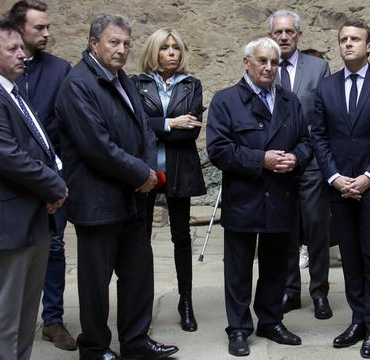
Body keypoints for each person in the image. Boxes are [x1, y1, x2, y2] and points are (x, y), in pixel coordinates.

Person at [55, 14, 178, 360]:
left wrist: (150, 170)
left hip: (133, 200)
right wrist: (142, 174)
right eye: (114, 42)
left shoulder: (122, 79)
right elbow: (97, 146)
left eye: (126, 43)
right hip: (98, 200)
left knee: (138, 274)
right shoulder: (77, 84)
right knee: (96, 282)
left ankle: (135, 342)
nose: (122, 49)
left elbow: (144, 130)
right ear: (94, 43)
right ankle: (94, 348)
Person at [0, 19, 68, 359]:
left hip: (33, 217)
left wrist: (50, 187)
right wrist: (55, 185)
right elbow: (9, 158)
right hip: (7, 224)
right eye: (13, 49)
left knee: (25, 315)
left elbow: (37, 146)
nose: (23, 54)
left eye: (22, 47)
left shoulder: (12, 90)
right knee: (5, 316)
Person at [206, 37, 312, 357]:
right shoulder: (226, 101)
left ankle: (270, 320)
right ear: (247, 63)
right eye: (262, 61)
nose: (268, 68)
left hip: (281, 195)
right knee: (238, 268)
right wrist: (260, 159)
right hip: (245, 197)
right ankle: (238, 328)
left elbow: (306, 141)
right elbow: (218, 150)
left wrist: (296, 158)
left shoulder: (290, 101)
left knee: (276, 265)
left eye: (274, 63)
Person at [311, 19, 370, 358]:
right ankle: (358, 319)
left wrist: (368, 177)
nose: (348, 44)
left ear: (369, 46)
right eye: (343, 39)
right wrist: (335, 177)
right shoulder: (326, 87)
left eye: (355, 39)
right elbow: (319, 136)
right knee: (350, 256)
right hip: (340, 187)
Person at [133, 27, 206, 333]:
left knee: (182, 238)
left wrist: (160, 127)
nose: (172, 53)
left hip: (179, 168)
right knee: (141, 237)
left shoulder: (191, 85)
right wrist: (170, 122)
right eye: (165, 48)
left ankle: (185, 302)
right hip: (145, 170)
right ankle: (140, 302)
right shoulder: (136, 84)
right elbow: (135, 126)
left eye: (176, 47)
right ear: (154, 52)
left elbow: (192, 131)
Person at [267, 9, 333, 320]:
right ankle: (290, 290)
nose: (283, 37)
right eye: (278, 32)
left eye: (289, 32)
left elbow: (325, 114)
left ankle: (320, 291)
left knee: (317, 226)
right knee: (286, 227)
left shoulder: (318, 68)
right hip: (277, 163)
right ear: (271, 36)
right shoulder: (262, 65)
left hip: (311, 162)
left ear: (298, 35)